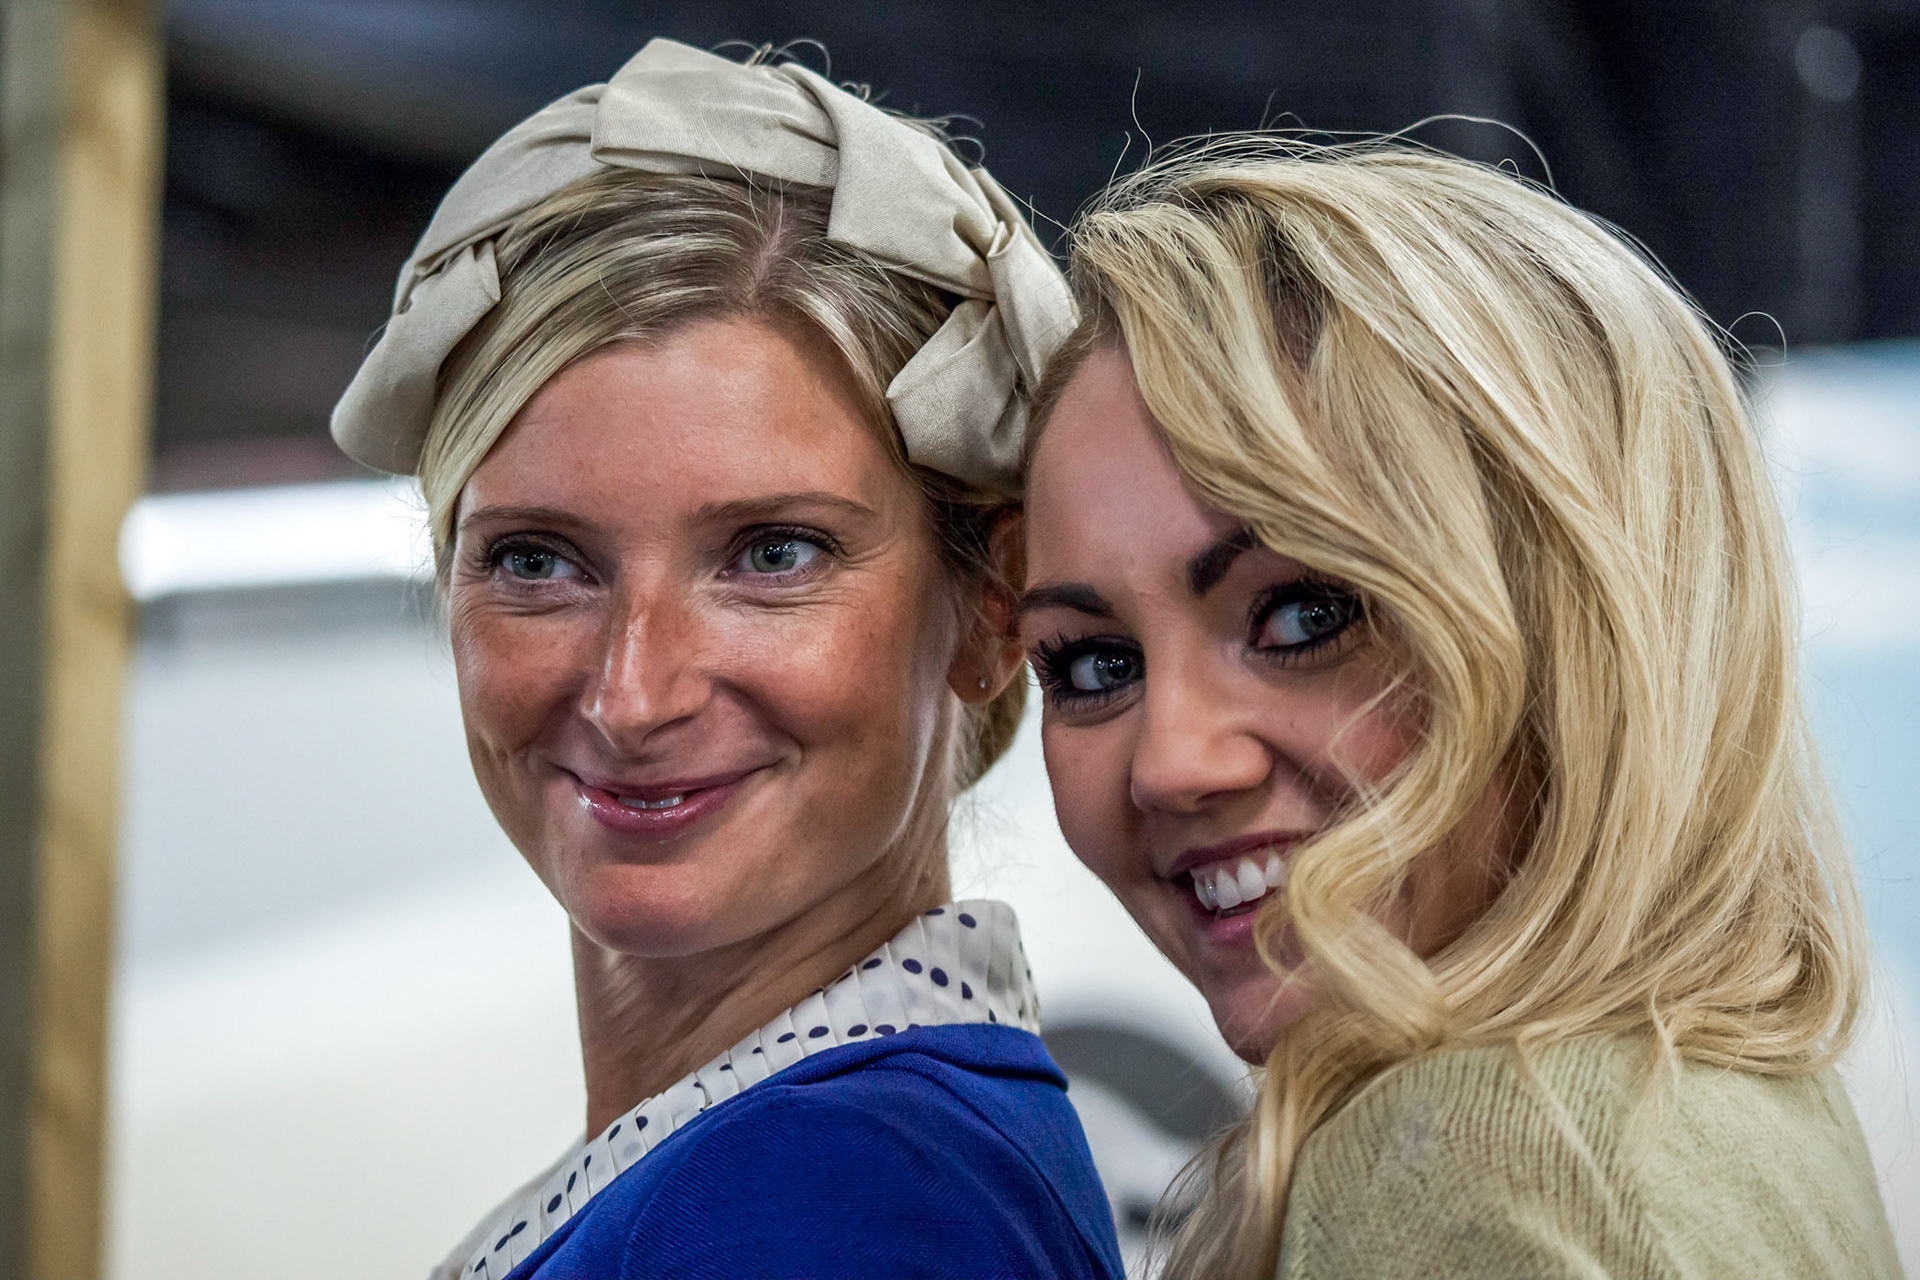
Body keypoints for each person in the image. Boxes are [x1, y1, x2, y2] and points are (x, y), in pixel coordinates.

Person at [1016, 140, 1903, 1279]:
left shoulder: (1472, 1167)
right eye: (1091, 665)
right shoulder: (1707, 1099)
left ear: (1583, 621)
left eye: (1304, 614)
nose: (1171, 763)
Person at [329, 39, 1120, 1280]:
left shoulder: (839, 1199)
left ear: (989, 606)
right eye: (539, 562)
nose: (634, 693)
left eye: (774, 552)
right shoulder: (808, 1150)